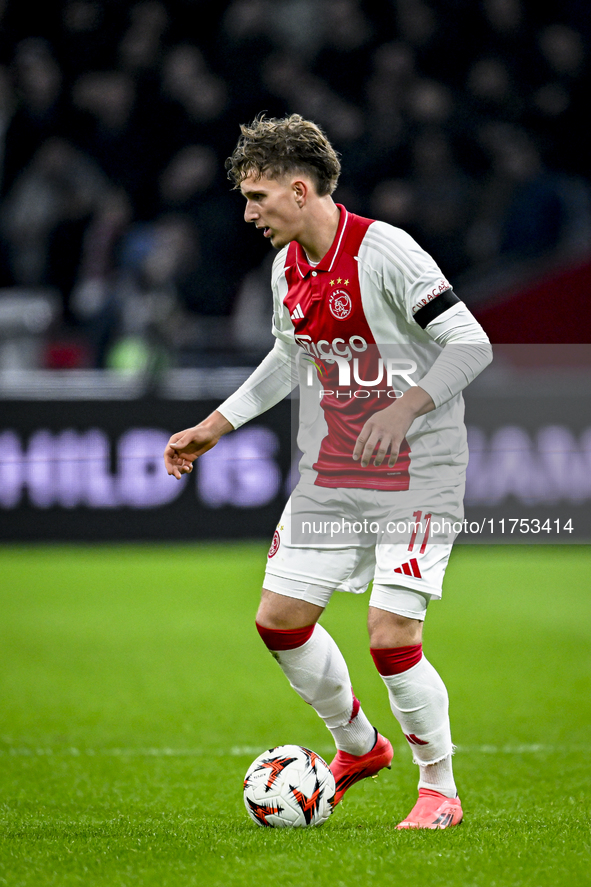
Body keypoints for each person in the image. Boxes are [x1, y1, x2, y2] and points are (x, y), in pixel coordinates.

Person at [164, 114, 492, 829]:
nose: (249, 213)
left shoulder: (386, 252)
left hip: (418, 467)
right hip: (336, 469)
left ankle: (438, 788)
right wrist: (214, 426)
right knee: (278, 621)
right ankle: (358, 746)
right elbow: (289, 359)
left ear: (300, 188)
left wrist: (403, 409)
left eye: (257, 197)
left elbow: (471, 342)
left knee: (390, 634)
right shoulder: (287, 266)